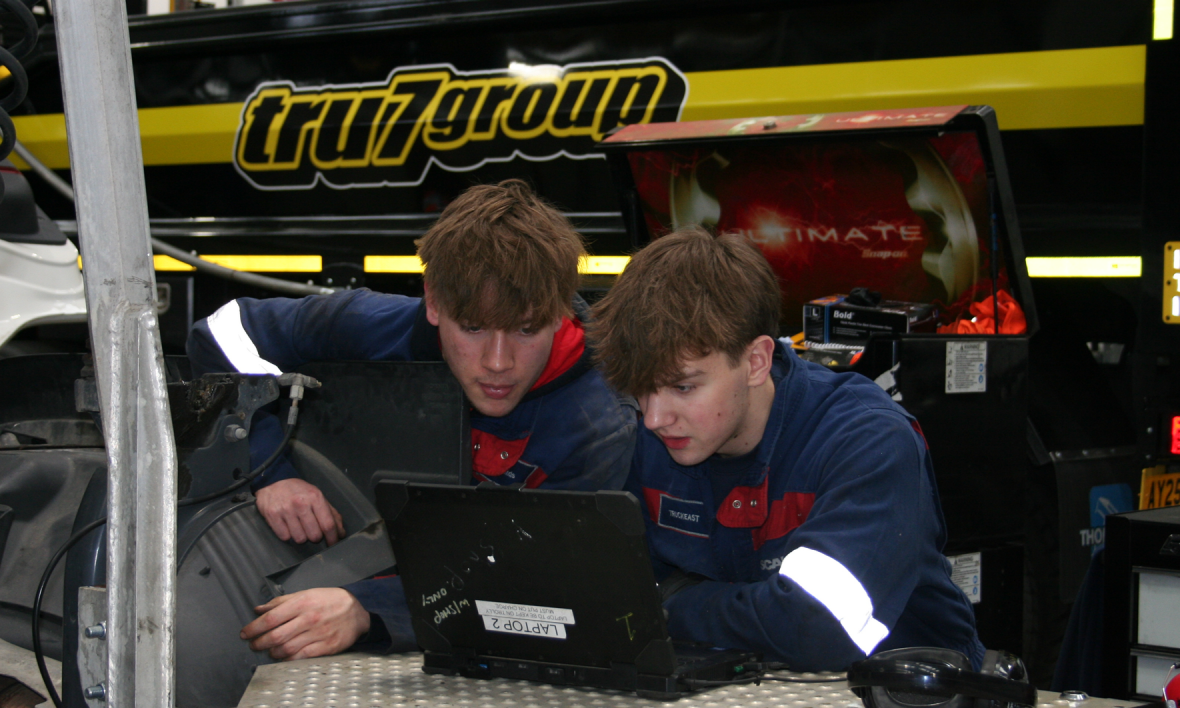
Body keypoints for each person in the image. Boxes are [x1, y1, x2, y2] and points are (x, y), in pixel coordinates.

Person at [187, 179, 638, 659]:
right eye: (473, 328)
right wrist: (268, 469)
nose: (498, 362)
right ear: (435, 303)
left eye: (526, 329)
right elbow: (221, 332)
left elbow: (542, 585)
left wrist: (369, 608)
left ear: (557, 313)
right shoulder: (385, 325)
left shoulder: (601, 424)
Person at [587, 227, 984, 672]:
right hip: (734, 702)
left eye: (683, 386)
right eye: (641, 388)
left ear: (756, 361)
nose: (656, 417)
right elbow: (604, 595)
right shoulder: (649, 437)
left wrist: (673, 602)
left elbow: (819, 630)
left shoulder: (865, 440)